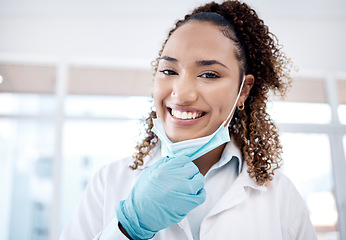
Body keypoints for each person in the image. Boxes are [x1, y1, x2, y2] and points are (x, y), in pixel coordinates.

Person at [60, 1, 317, 239]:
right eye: (169, 71)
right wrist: (127, 228)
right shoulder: (109, 182)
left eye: (209, 74)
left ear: (244, 90)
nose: (181, 94)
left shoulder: (282, 199)